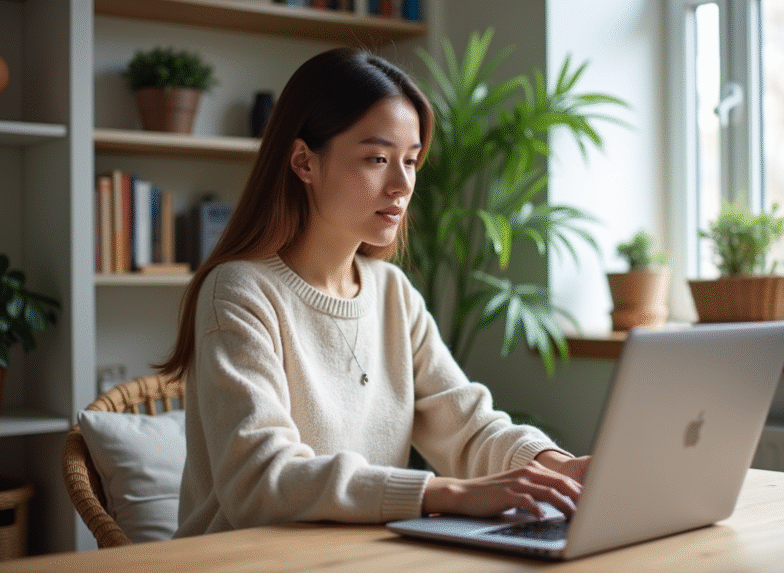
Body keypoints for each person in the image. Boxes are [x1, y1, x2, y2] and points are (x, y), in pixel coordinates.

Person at [156, 47, 590, 538]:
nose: (402, 184)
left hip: (359, 554)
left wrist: (561, 467)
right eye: (377, 159)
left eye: (411, 160)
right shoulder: (238, 291)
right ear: (303, 161)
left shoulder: (392, 292)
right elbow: (260, 481)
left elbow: (467, 427)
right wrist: (446, 493)